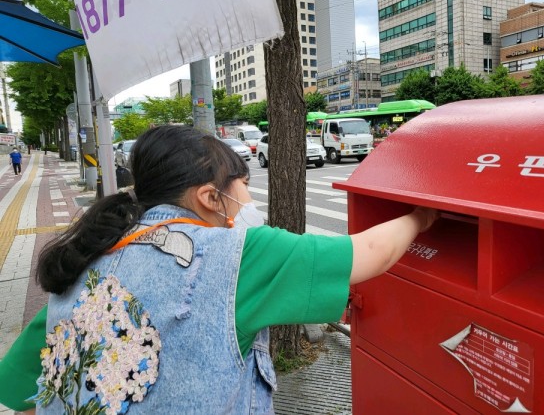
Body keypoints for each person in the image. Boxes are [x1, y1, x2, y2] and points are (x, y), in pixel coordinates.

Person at [0, 125, 437, 414]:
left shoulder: (88, 255)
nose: (248, 194)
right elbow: (371, 253)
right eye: (243, 183)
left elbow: (18, 390)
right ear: (211, 197)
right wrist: (425, 215)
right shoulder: (239, 253)